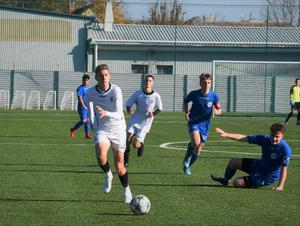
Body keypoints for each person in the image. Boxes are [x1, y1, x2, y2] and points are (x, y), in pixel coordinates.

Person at [85, 64, 132, 203]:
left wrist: (106, 113)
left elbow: (118, 113)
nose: (104, 78)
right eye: (101, 75)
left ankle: (126, 189)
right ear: (96, 78)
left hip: (118, 129)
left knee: (119, 166)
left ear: (109, 76)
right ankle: (108, 174)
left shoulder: (116, 90)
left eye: (106, 75)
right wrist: (93, 121)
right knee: (100, 155)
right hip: (102, 129)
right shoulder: (90, 92)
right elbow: (89, 106)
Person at [211, 123, 292, 191]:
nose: (274, 138)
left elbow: (284, 168)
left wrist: (280, 186)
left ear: (282, 136)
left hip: (267, 176)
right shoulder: (265, 139)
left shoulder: (285, 149)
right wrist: (226, 134)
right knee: (233, 162)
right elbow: (244, 138)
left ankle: (253, 180)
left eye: (277, 137)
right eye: (272, 135)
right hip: (258, 165)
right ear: (270, 133)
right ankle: (225, 180)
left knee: (237, 183)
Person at [182, 73, 222, 175]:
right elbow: (185, 101)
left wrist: (216, 112)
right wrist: (186, 112)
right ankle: (186, 161)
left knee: (198, 150)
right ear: (200, 83)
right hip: (194, 122)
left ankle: (188, 165)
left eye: (208, 82)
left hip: (205, 125)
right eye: (204, 82)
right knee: (196, 142)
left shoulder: (214, 96)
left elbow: (219, 109)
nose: (207, 84)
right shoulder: (194, 94)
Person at [124, 74, 163, 167]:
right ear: (143, 82)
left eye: (150, 81)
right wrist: (129, 111)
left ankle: (140, 145)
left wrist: (152, 114)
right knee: (128, 140)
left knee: (135, 144)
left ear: (152, 83)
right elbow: (128, 104)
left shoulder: (156, 96)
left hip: (145, 122)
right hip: (135, 119)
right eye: (146, 80)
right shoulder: (138, 93)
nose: (148, 82)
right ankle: (125, 162)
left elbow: (159, 108)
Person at [70, 74, 92, 139]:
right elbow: (80, 98)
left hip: (88, 107)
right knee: (84, 120)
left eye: (87, 80)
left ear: (88, 81)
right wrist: (83, 106)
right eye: (84, 80)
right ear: (82, 80)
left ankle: (87, 134)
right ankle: (73, 129)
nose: (85, 81)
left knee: (88, 120)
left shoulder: (89, 88)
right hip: (82, 107)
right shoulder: (80, 88)